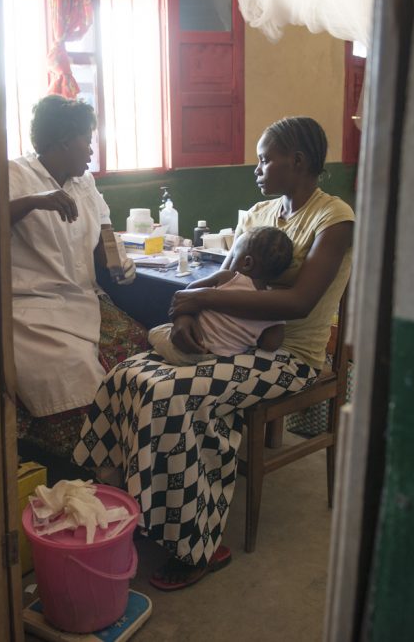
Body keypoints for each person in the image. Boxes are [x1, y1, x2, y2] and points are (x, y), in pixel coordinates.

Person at [72, 116, 353, 590]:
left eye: (266, 158)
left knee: (174, 396)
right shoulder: (260, 214)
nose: (258, 168)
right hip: (227, 340)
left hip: (287, 357)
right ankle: (121, 496)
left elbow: (299, 302)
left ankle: (198, 543)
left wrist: (198, 302)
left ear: (299, 161)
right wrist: (185, 317)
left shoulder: (335, 219)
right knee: (127, 373)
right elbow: (214, 280)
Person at [10, 95, 144, 457]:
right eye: (87, 139)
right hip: (33, 306)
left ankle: (133, 452)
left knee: (138, 350)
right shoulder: (16, 175)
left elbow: (105, 237)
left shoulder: (84, 184)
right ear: (65, 140)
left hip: (84, 298)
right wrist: (36, 201)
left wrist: (119, 262)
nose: (91, 149)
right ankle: (87, 461)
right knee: (74, 371)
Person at [147, 226, 294, 365]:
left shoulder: (228, 277)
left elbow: (188, 293)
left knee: (155, 332)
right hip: (219, 359)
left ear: (247, 263)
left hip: (183, 351)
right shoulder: (273, 307)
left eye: (235, 255)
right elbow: (271, 344)